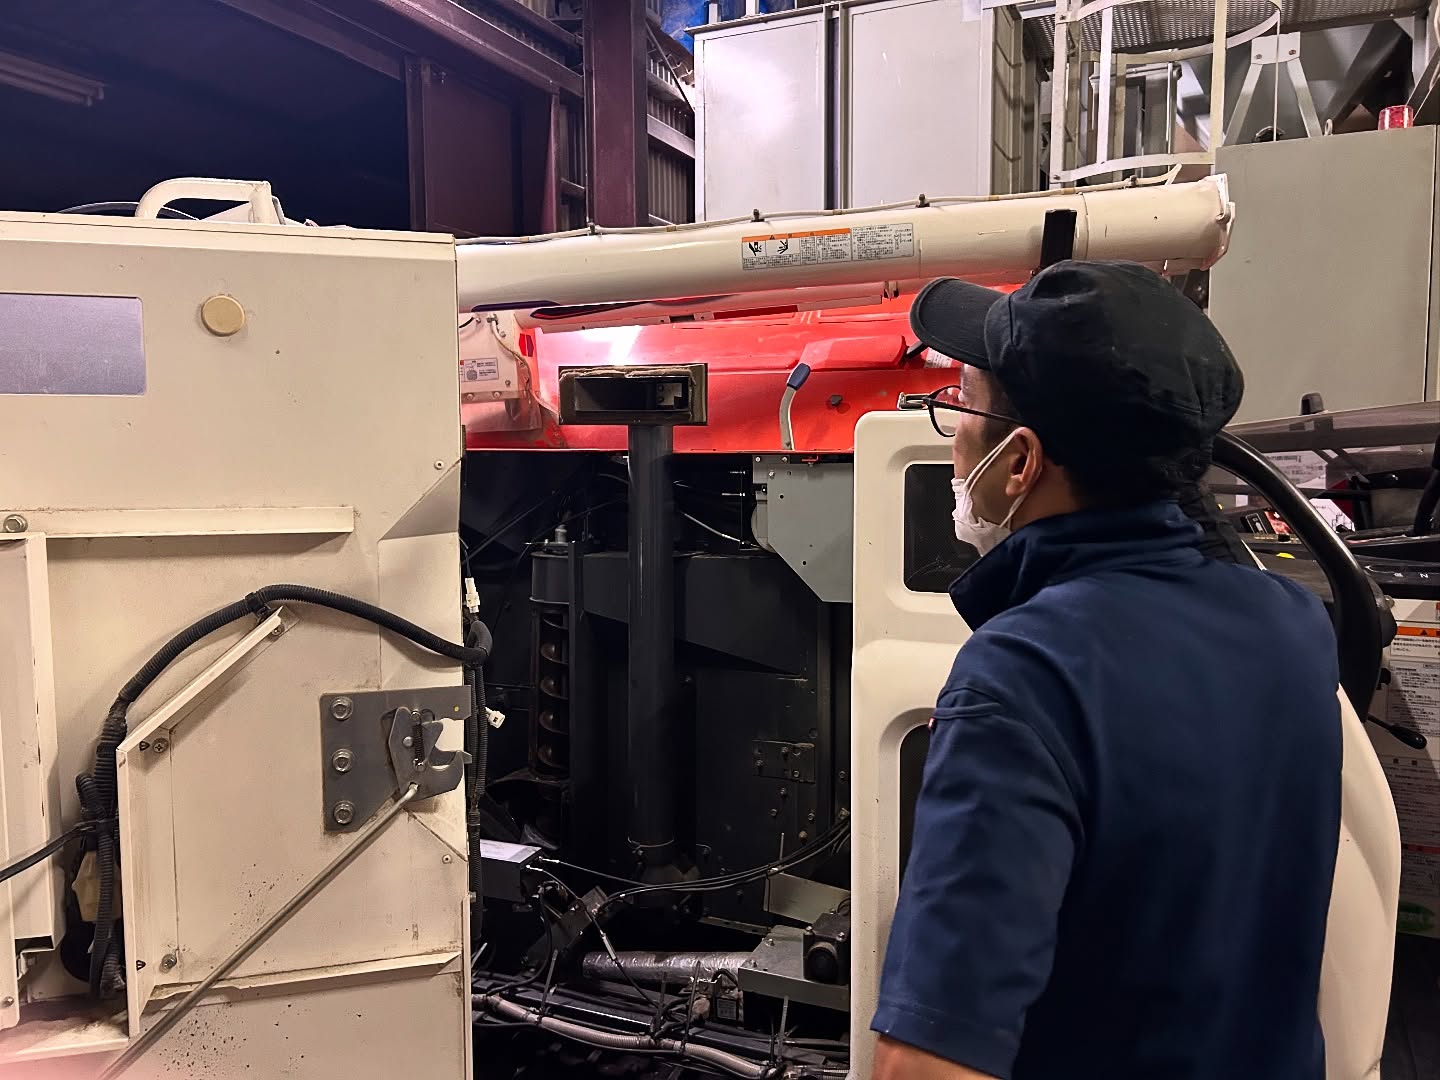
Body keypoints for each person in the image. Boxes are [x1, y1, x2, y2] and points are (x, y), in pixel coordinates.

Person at [871, 261, 1342, 1080]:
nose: (952, 436)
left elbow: (926, 1063)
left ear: (1019, 462)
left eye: (961, 406)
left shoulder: (1025, 675)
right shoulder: (1294, 624)